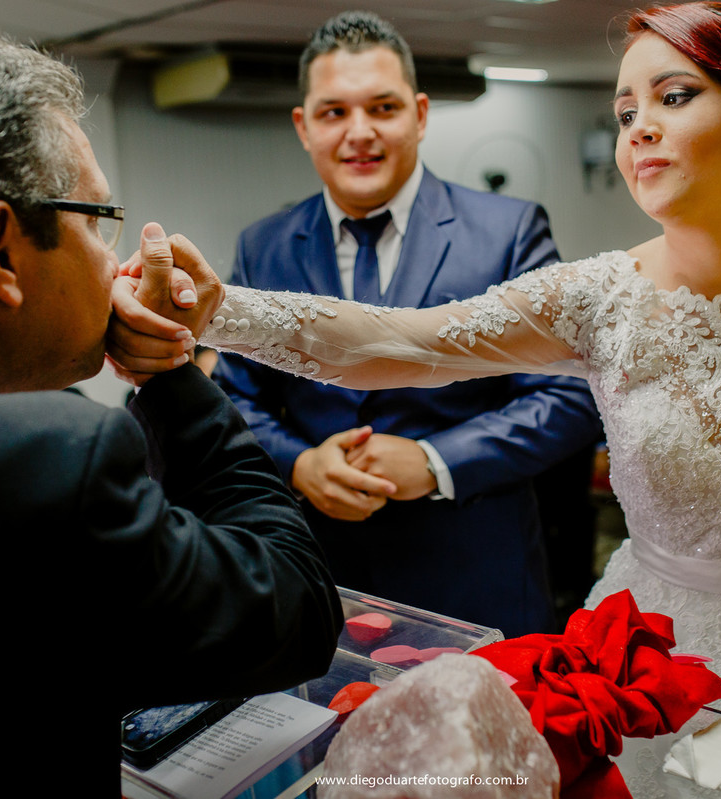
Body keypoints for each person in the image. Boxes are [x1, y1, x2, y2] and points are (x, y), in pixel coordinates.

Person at [110, 2, 721, 795]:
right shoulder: (600, 296)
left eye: (674, 97)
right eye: (625, 111)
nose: (639, 130)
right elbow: (399, 343)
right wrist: (221, 309)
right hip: (647, 659)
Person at [0, 27, 342, 798]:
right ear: (0, 248)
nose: (113, 260)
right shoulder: (36, 461)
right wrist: (169, 369)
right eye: (99, 221)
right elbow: (294, 607)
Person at [209, 11, 602, 637]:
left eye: (383, 108)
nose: (359, 132)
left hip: (472, 576)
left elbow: (568, 392)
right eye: (334, 112)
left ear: (419, 115)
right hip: (323, 582)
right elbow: (234, 396)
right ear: (303, 126)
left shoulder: (508, 231)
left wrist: (434, 460)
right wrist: (300, 463)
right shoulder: (266, 246)